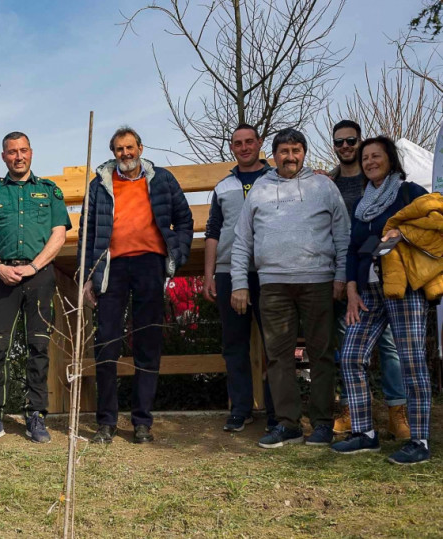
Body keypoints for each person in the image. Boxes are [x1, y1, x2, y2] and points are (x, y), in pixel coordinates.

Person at [231, 128, 349, 449]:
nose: (290, 157)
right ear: (274, 154)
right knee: (278, 357)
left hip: (318, 282)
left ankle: (322, 423)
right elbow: (242, 240)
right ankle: (288, 424)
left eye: (296, 150)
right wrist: (240, 283)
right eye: (284, 151)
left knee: (321, 355)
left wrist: (341, 276)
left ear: (304, 153)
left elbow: (342, 234)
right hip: (273, 286)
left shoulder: (323, 187)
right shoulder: (260, 189)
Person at [80, 126, 194, 444]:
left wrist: (178, 253)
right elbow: (87, 233)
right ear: (113, 152)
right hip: (111, 267)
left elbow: (184, 219)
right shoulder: (100, 185)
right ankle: (106, 423)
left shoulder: (162, 180)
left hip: (149, 264)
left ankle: (142, 422)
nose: (125, 154)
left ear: (140, 148)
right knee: (106, 343)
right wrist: (87, 278)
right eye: (119, 149)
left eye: (130, 148)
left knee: (148, 342)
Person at [330, 136, 432, 465]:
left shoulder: (408, 191)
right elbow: (350, 249)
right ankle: (364, 434)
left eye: (376, 156)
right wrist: (350, 290)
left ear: (390, 158)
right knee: (350, 356)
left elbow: (436, 220)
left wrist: (403, 233)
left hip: (402, 288)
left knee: (412, 363)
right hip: (367, 292)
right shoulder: (363, 203)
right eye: (366, 158)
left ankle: (419, 441)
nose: (370, 161)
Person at [0, 131, 71, 444]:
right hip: (2, 276)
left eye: (23, 150)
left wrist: (34, 266)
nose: (18, 156)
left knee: (38, 346)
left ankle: (36, 416)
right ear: (3, 156)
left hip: (38, 274)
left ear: (31, 153)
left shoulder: (49, 191)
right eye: (12, 152)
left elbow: (58, 234)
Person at [326, 120, 409, 440]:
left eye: (351, 141)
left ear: (360, 143)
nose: (345, 147)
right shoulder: (328, 183)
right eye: (339, 143)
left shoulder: (380, 179)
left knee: (389, 345)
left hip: (381, 273)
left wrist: (381, 251)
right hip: (345, 274)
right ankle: (351, 409)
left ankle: (396, 410)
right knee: (347, 347)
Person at [203, 124, 276, 433]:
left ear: (259, 143)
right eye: (238, 143)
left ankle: (278, 412)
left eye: (250, 141)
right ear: (231, 148)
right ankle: (241, 409)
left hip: (271, 271)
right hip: (228, 272)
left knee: (276, 345)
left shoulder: (278, 179)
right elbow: (213, 231)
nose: (244, 147)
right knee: (234, 345)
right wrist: (208, 273)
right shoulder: (223, 187)